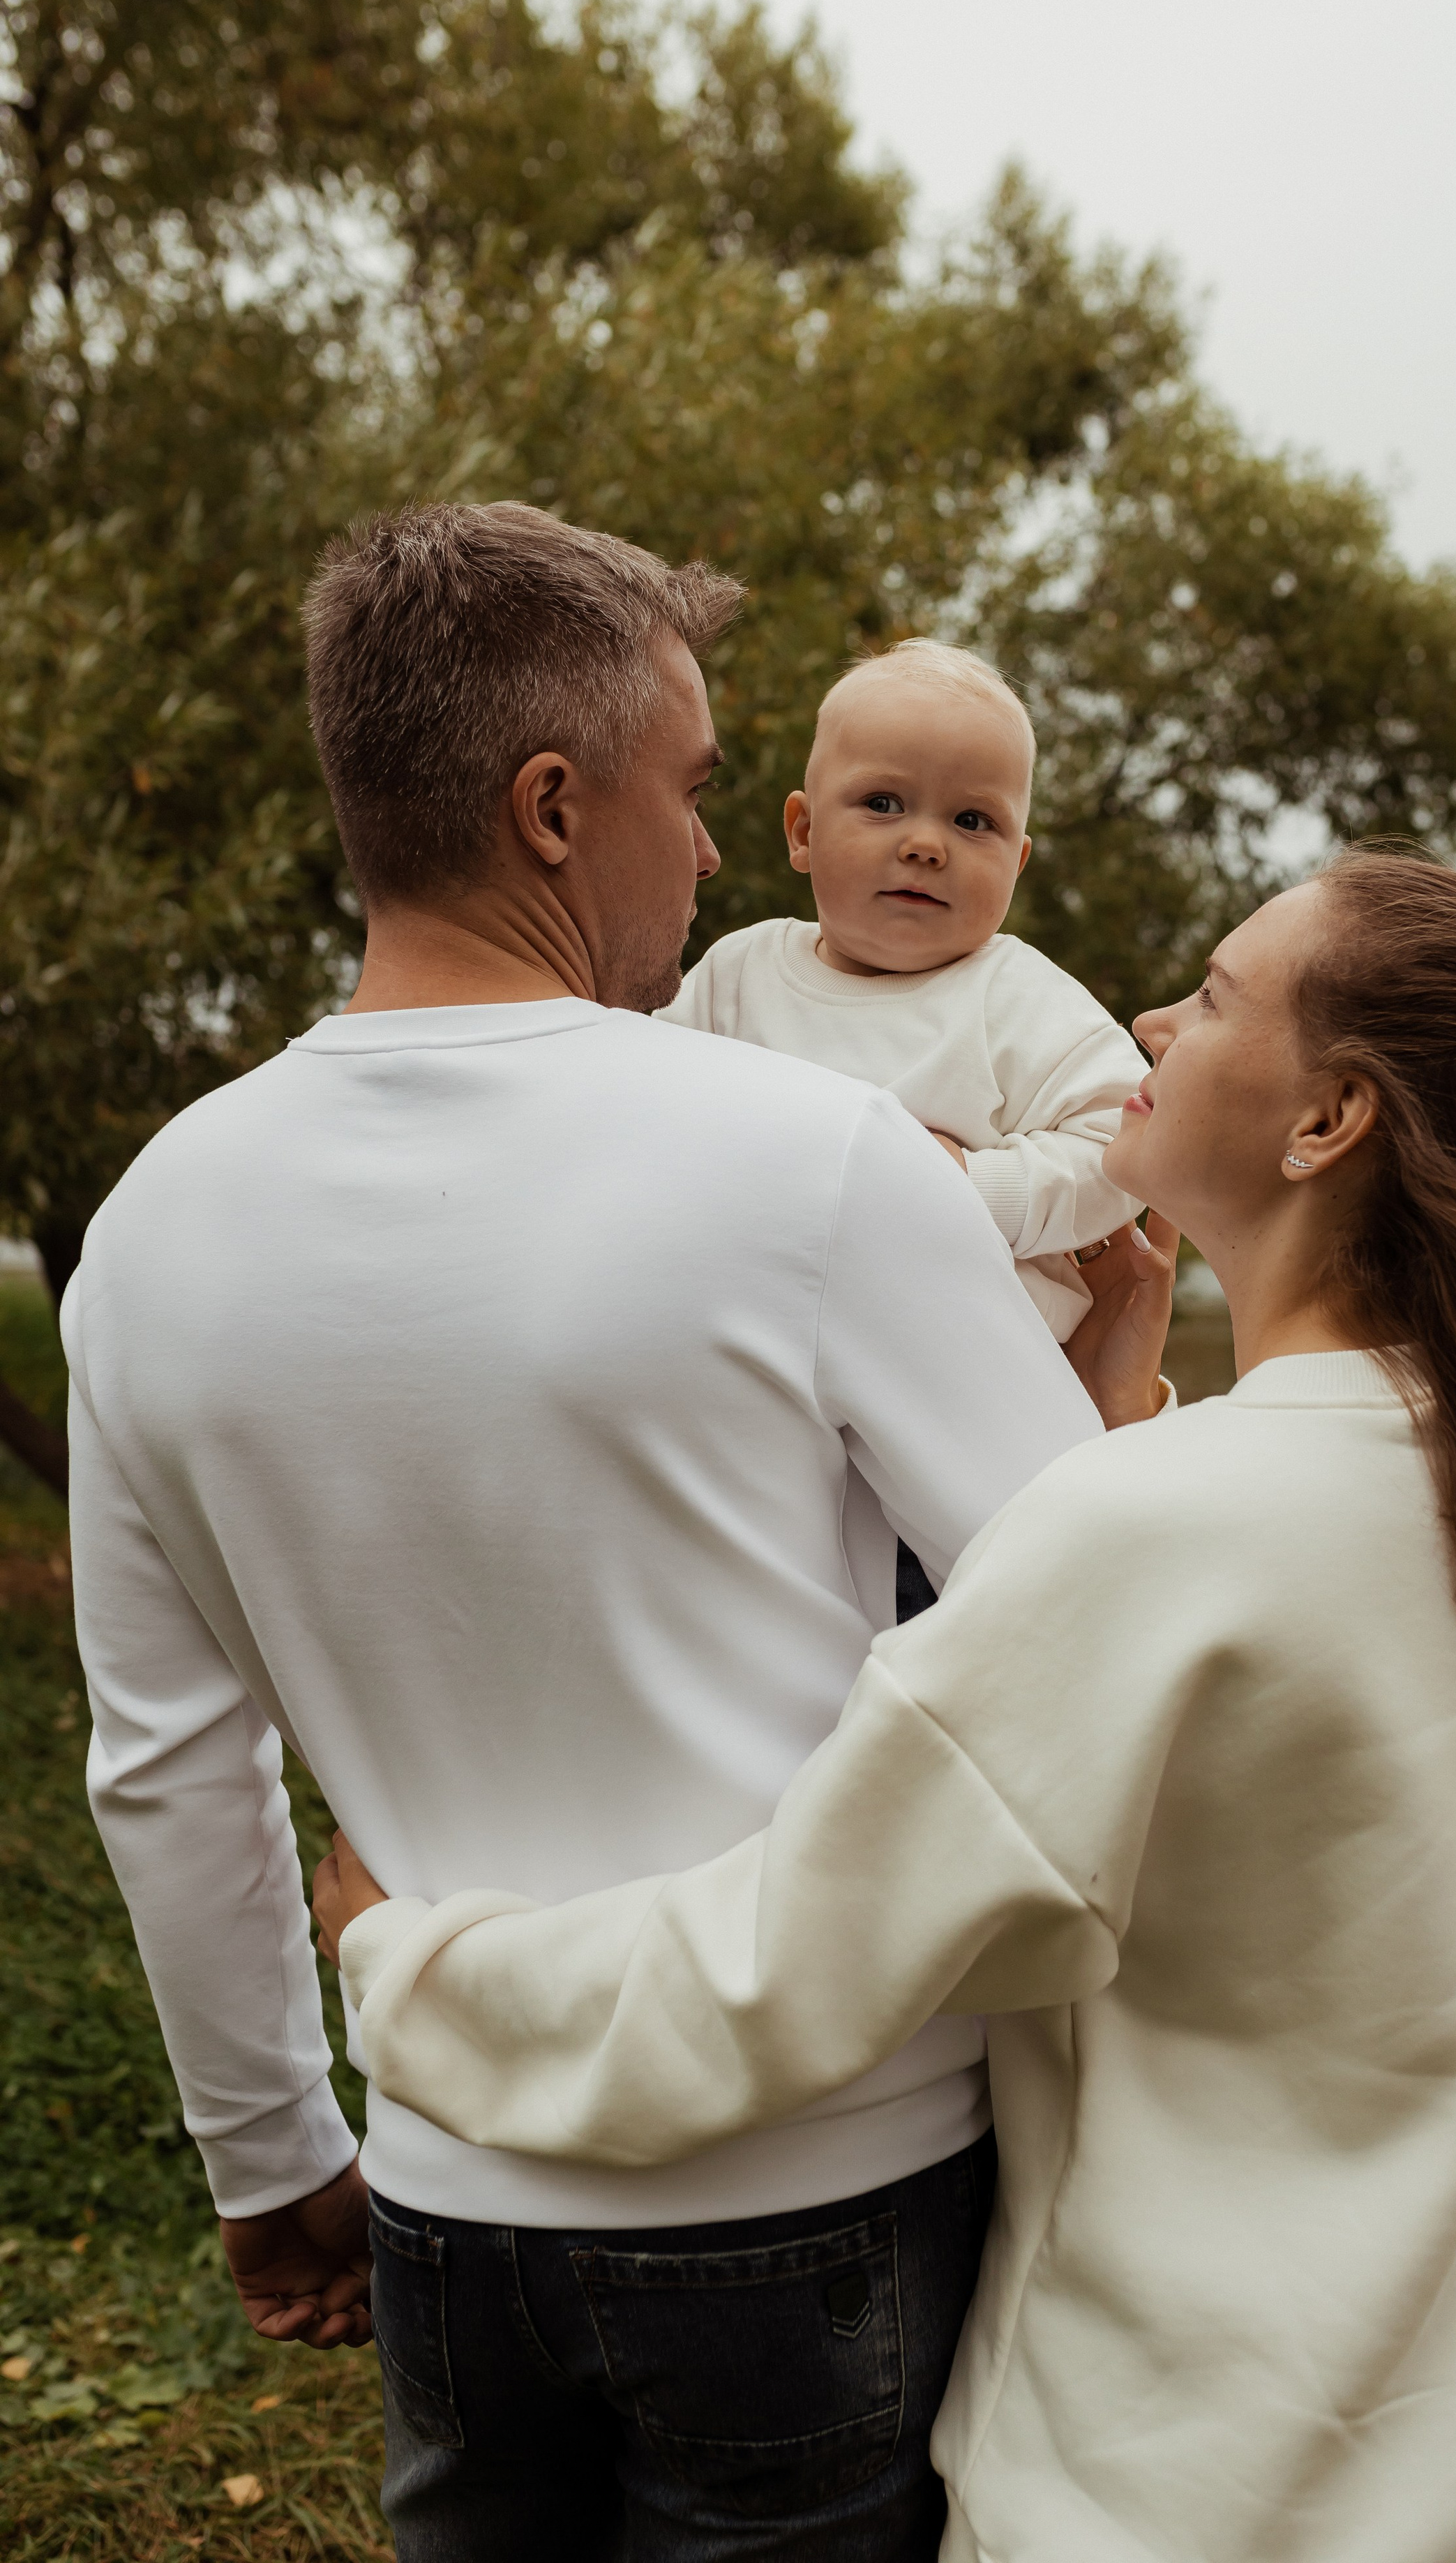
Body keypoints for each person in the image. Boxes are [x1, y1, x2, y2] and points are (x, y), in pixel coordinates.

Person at [318, 846, 1456, 2563]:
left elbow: (775, 1974)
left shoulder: (1165, 1532)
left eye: (1212, 996)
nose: (1150, 1014)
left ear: (1324, 1121)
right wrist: (1118, 1412)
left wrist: (406, 1960)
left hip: (1184, 2494)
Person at [64, 500, 1170, 2562]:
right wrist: (1122, 1370)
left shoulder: (147, 1232)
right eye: (686, 789)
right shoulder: (820, 1157)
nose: (714, 848)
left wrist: (273, 2150)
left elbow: (169, 1760)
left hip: (441, 2193)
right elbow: (1088, 1618)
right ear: (554, 806)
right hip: (825, 2191)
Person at [661, 639, 1148, 1344]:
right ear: (803, 831)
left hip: (963, 1350)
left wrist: (975, 1188)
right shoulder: (739, 972)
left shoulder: (1018, 997)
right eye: (883, 803)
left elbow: (1124, 1146)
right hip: (756, 1322)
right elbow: (648, 1110)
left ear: (1016, 863)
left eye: (971, 821)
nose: (927, 845)